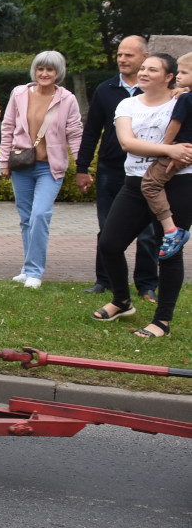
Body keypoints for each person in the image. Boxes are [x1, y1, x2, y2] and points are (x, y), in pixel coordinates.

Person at [92, 53, 192, 338]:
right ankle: (122, 301)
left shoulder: (182, 100)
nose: (144, 73)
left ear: (169, 76)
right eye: (143, 68)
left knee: (169, 251)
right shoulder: (128, 103)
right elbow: (127, 143)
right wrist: (170, 150)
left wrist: (183, 152)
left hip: (177, 184)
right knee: (109, 243)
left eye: (153, 69)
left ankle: (162, 321)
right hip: (135, 184)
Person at [77, 35, 158, 298]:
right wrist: (82, 168)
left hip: (146, 171)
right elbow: (91, 132)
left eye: (129, 55)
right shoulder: (106, 89)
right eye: (119, 54)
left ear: (144, 57)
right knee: (107, 227)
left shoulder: (156, 93)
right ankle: (104, 281)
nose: (122, 59)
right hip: (111, 170)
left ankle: (147, 285)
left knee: (147, 232)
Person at [0, 50, 83, 288]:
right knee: (26, 219)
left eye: (50, 69)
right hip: (22, 164)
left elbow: (75, 133)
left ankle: (35, 271)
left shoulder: (67, 99)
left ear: (58, 73)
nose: (44, 73)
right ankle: (27, 269)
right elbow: (7, 127)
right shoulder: (19, 93)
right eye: (40, 68)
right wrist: (3, 162)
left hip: (50, 168)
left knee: (40, 215)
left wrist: (82, 166)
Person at [141, 60, 192, 259]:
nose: (178, 76)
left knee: (150, 184)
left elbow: (175, 124)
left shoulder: (185, 99)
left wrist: (166, 148)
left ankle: (171, 230)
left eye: (184, 72)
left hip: (180, 148)